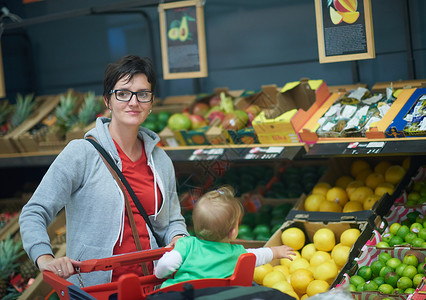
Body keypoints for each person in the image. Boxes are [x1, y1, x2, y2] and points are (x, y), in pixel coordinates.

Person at [19, 54, 189, 287]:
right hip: (97, 288)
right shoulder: (81, 154)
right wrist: (44, 257)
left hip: (154, 285)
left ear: (151, 102)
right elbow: (34, 211)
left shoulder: (160, 160)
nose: (133, 102)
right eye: (122, 93)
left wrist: (179, 239)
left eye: (143, 94)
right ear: (107, 101)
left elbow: (172, 221)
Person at [154, 185, 295, 288]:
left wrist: (159, 274)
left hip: (179, 294)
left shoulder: (187, 244)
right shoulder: (236, 253)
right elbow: (257, 255)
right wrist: (276, 252)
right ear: (233, 232)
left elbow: (166, 264)